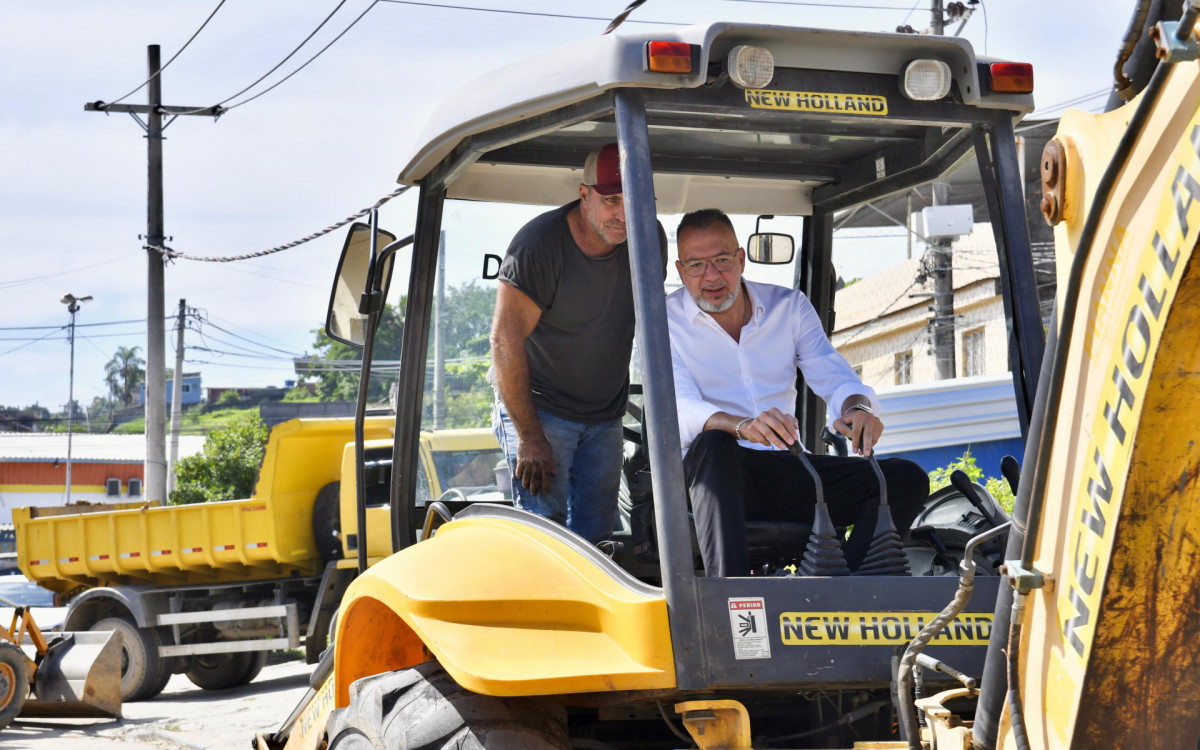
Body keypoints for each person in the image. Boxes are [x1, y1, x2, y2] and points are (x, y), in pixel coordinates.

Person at [666, 208, 927, 577]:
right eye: (696, 265)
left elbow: (833, 375)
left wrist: (858, 407)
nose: (711, 276)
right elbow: (678, 406)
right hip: (714, 479)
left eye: (722, 260)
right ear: (680, 271)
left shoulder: (788, 307)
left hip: (787, 466)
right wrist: (743, 426)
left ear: (741, 259)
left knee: (905, 478)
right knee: (712, 445)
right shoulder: (662, 319)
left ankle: (841, 596)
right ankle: (736, 605)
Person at [489, 143, 663, 544]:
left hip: (605, 415)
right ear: (585, 196)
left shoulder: (648, 237)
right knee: (546, 533)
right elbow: (504, 341)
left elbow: (654, 328)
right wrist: (531, 437)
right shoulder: (539, 246)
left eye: (635, 200)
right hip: (541, 410)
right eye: (611, 200)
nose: (623, 214)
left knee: (598, 537)